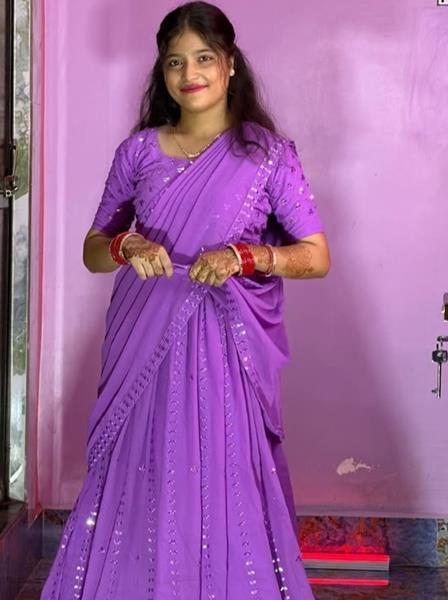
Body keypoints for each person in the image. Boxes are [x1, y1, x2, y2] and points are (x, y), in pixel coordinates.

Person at [41, 2, 330, 598]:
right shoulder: (138, 152)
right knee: (137, 472)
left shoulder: (267, 156)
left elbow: (315, 255)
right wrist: (125, 243)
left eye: (203, 58)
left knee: (220, 475)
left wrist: (245, 257)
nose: (189, 73)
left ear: (230, 64)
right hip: (142, 346)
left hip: (225, 350)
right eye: (175, 62)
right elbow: (93, 250)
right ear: (162, 71)